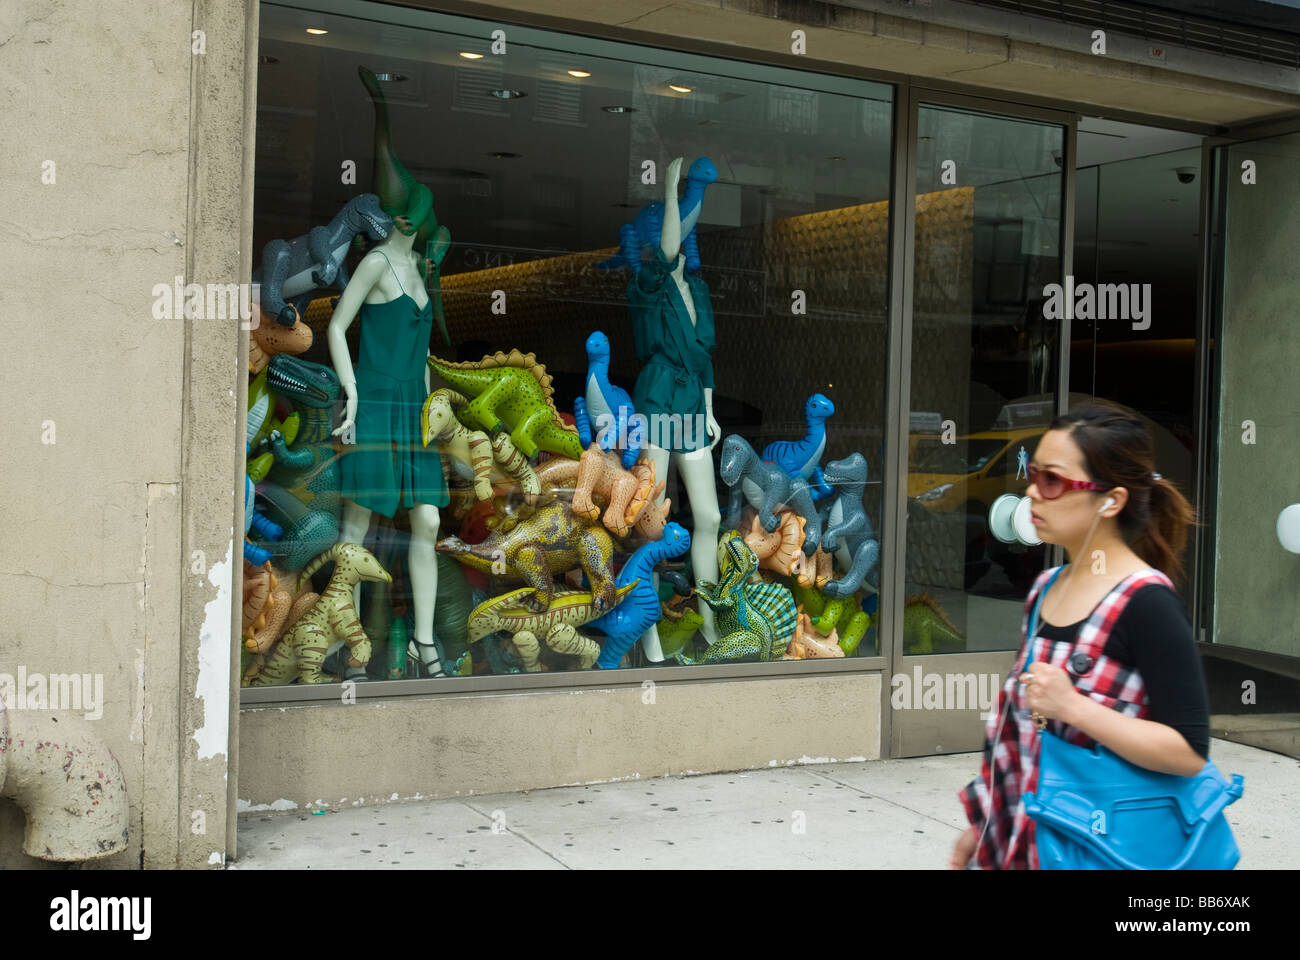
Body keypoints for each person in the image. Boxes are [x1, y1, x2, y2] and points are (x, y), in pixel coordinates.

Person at [950, 399, 1207, 869]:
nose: (1030, 493)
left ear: (1111, 500)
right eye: (1033, 474)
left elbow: (1189, 752)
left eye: (1052, 480)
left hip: (1095, 850)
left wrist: (1073, 707)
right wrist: (984, 823)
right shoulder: (1046, 588)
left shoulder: (1147, 603)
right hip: (1020, 845)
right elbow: (1024, 733)